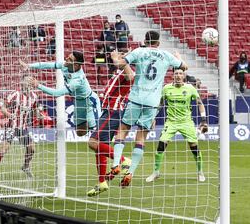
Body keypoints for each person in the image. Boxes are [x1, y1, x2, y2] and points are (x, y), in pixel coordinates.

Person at [109, 30, 188, 188]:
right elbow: (184, 67)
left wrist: (115, 57)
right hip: (152, 102)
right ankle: (130, 172)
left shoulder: (139, 51)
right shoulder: (166, 55)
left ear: (145, 41)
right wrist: (179, 58)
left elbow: (120, 65)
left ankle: (116, 164)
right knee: (141, 138)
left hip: (136, 98)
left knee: (123, 130)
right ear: (158, 43)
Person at [146, 69, 207, 183]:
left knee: (194, 147)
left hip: (186, 122)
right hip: (171, 122)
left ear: (184, 76)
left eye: (180, 74)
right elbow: (160, 104)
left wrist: (204, 120)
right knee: (161, 145)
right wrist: (152, 117)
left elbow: (200, 103)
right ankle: (156, 172)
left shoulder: (190, 88)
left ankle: (200, 172)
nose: (178, 76)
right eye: (176, 74)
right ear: (172, 76)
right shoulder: (166, 88)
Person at [86, 54, 134, 197]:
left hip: (113, 112)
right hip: (108, 111)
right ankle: (102, 182)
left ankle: (124, 160)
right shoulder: (119, 71)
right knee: (100, 148)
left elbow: (130, 76)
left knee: (93, 142)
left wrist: (116, 58)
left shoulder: (128, 71)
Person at [21, 51, 99, 136]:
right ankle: (92, 124)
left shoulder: (77, 80)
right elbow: (47, 65)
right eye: (68, 57)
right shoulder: (65, 65)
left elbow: (57, 93)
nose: (66, 59)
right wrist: (29, 66)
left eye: (70, 59)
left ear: (76, 65)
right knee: (80, 133)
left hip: (89, 103)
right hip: (78, 103)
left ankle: (98, 123)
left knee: (98, 134)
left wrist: (38, 85)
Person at [0, 75, 38, 180]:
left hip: (23, 128)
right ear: (22, 83)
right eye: (26, 80)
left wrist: (38, 115)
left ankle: (26, 166)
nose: (28, 83)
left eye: (30, 81)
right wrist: (8, 114)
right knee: (4, 149)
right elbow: (2, 104)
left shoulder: (34, 97)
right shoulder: (15, 94)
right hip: (11, 126)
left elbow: (35, 109)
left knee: (32, 148)